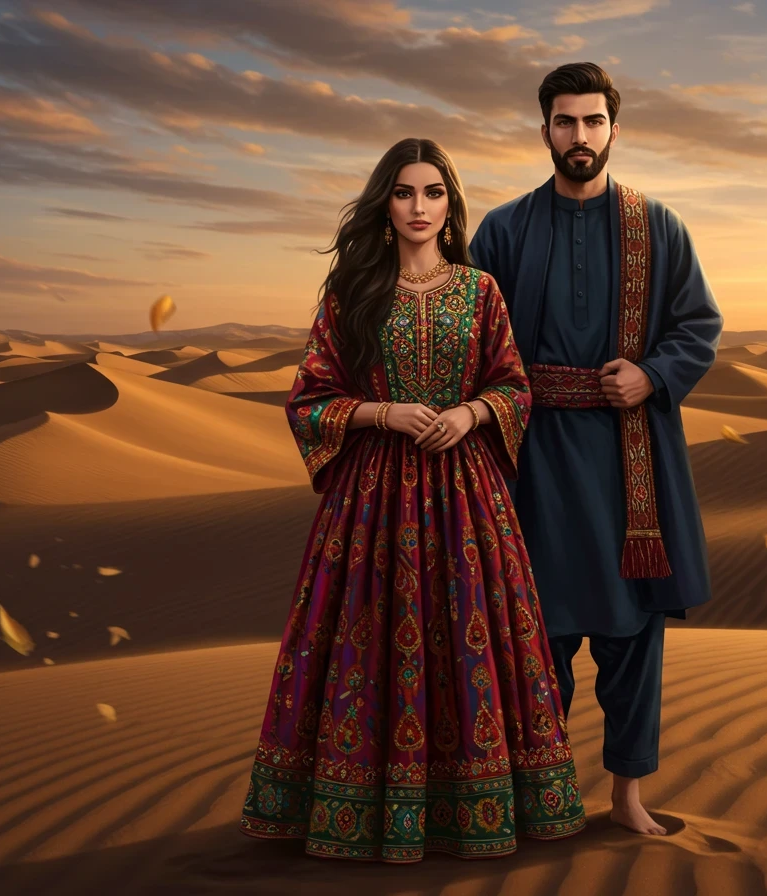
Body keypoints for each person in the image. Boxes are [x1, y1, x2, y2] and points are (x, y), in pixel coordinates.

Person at [238, 137, 586, 862]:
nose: (418, 207)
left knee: (471, 636)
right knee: (366, 642)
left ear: (450, 205)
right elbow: (308, 401)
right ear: (385, 203)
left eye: (433, 193)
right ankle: (358, 814)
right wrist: (382, 413)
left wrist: (471, 414)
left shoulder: (481, 292)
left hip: (468, 499)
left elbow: (514, 387)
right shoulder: (351, 293)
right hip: (371, 503)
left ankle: (477, 810)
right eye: (404, 192)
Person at [470, 63, 723, 836]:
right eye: (564, 121)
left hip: (629, 462)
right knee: (532, 630)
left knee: (631, 631)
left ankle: (626, 797)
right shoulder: (503, 229)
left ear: (613, 128)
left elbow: (698, 326)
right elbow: (467, 337)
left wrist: (652, 375)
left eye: (592, 121)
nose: (579, 136)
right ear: (544, 128)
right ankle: (539, 794)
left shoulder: (658, 226)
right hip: (530, 462)